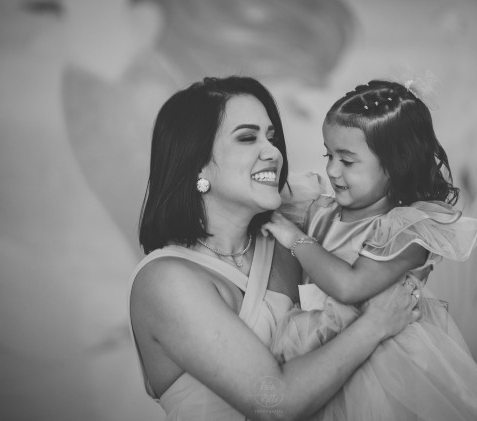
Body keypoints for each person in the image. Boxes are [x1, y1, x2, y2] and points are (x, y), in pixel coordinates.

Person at [128, 76, 422, 421]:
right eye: (247, 138)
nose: (273, 152)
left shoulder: (293, 247)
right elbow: (275, 404)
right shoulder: (165, 280)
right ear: (197, 163)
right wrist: (375, 326)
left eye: (271, 137)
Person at [262, 80, 477, 420]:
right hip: (314, 352)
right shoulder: (319, 210)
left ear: (397, 164)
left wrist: (293, 238)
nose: (332, 170)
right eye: (329, 155)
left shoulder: (405, 231)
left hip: (381, 366)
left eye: (348, 161)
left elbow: (349, 286)